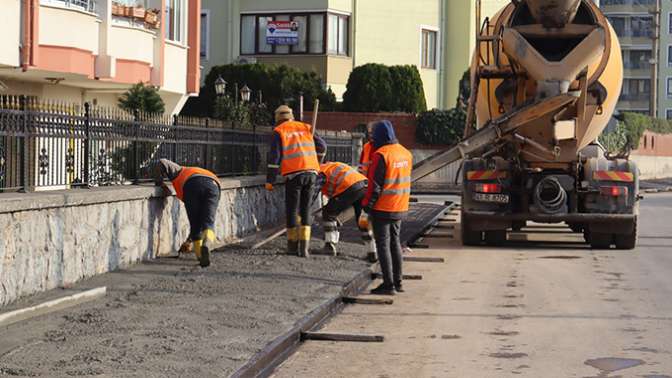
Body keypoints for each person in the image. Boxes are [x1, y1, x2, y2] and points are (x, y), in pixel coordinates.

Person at [266, 105, 326, 257]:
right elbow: (322, 146)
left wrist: (270, 180)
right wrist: (316, 161)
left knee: (292, 209)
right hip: (312, 172)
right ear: (292, 116)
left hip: (294, 174)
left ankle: (292, 247)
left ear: (278, 119)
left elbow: (275, 159)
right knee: (306, 209)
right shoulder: (306, 127)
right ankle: (304, 248)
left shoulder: (279, 131)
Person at [362, 120, 413, 295]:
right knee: (395, 243)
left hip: (383, 207)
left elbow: (374, 186)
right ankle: (398, 282)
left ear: (378, 137)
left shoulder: (381, 155)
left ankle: (388, 284)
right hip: (400, 205)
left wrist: (366, 208)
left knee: (383, 244)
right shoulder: (405, 153)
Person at [154, 159, 221, 268]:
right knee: (208, 222)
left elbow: (161, 162)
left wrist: (159, 183)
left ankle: (200, 257)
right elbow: (202, 219)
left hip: (191, 184)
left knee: (195, 225)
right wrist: (188, 241)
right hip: (213, 185)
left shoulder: (180, 170)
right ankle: (207, 244)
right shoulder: (198, 172)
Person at [318, 161, 377, 262]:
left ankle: (330, 245)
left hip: (349, 187)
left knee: (328, 212)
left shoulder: (319, 172)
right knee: (362, 220)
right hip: (364, 185)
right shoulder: (329, 166)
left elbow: (313, 192)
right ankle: (372, 251)